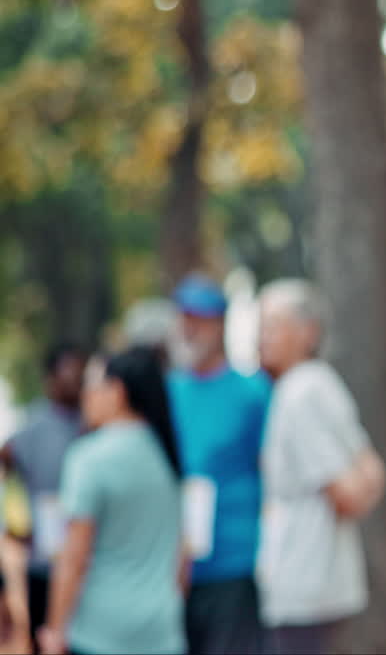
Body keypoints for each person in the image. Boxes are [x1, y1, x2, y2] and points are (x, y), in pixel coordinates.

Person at [255, 279, 386, 655]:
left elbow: (348, 493)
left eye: (273, 326)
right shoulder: (320, 383)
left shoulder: (301, 393)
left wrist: (352, 494)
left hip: (305, 580)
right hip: (321, 580)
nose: (263, 337)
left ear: (308, 331)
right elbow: (372, 469)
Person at [37, 345, 186, 655]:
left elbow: (74, 556)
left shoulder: (88, 457)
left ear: (116, 392)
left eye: (90, 386)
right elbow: (182, 557)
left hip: (101, 632)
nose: (84, 396)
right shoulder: (168, 454)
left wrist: (54, 629)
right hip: (162, 630)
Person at [165, 273, 271, 654]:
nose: (189, 328)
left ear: (219, 324)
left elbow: (271, 467)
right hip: (176, 564)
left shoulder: (253, 391)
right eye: (184, 318)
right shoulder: (168, 390)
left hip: (234, 560)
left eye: (199, 319)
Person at [0, 343, 87, 654]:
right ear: (50, 379)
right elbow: (6, 464)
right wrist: (15, 521)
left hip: (86, 563)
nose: (75, 381)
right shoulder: (34, 426)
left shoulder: (93, 422)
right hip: (44, 563)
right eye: (68, 373)